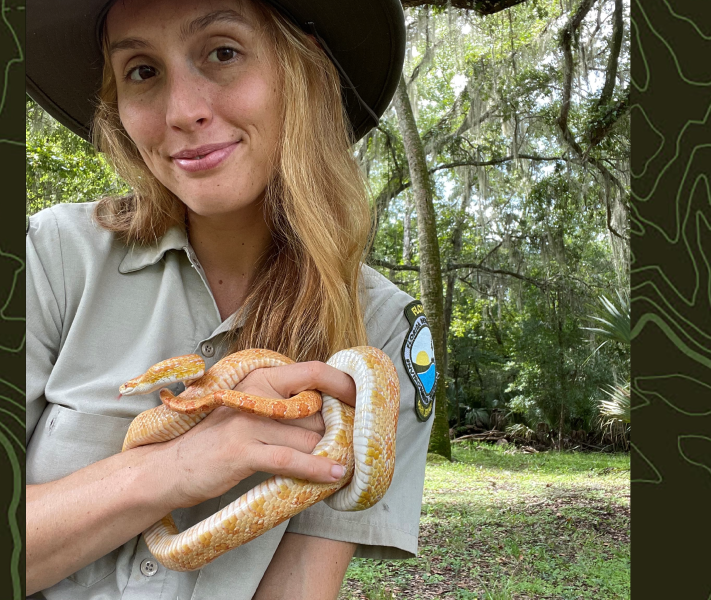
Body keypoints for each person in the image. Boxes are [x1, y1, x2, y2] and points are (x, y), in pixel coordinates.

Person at [24, 0, 434, 598]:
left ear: (304, 72)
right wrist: (174, 468)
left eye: (223, 52)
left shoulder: (383, 335)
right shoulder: (53, 256)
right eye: (142, 70)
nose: (182, 112)